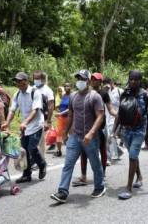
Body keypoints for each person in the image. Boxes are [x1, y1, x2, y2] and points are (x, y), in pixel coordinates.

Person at [51, 70, 106, 203]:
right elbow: (71, 115)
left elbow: (100, 116)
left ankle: (99, 186)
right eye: (78, 78)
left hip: (90, 137)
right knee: (68, 163)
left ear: (87, 81)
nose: (79, 81)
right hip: (75, 136)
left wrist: (91, 133)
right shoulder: (73, 96)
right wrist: (65, 132)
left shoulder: (95, 96)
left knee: (95, 163)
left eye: (82, 78)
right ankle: (62, 191)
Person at [113, 70, 148, 200]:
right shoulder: (125, 93)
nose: (133, 81)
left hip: (140, 130)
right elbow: (119, 113)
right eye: (131, 79)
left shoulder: (146, 96)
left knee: (133, 155)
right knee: (132, 155)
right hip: (126, 130)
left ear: (140, 81)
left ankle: (128, 188)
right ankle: (139, 176)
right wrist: (114, 131)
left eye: (136, 79)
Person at [2, 72, 47, 183]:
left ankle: (42, 165)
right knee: (24, 151)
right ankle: (26, 175)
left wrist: (25, 122)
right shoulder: (17, 94)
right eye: (16, 81)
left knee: (32, 148)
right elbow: (12, 110)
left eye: (20, 81)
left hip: (36, 125)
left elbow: (35, 110)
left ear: (26, 81)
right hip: (25, 126)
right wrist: (7, 122)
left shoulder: (35, 92)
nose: (18, 83)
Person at [72, 73, 116, 187]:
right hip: (85, 127)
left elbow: (111, 109)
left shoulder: (103, 94)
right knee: (84, 152)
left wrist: (119, 116)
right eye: (92, 79)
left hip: (100, 127)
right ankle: (83, 176)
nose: (93, 81)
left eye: (96, 79)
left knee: (102, 150)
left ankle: (102, 175)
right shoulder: (85, 93)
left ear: (101, 82)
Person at [33, 71, 55, 155]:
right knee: (33, 142)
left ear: (42, 79)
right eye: (34, 78)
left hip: (43, 120)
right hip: (33, 119)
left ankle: (41, 162)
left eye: (37, 78)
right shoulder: (32, 88)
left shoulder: (47, 90)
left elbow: (51, 106)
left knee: (41, 142)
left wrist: (48, 121)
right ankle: (34, 160)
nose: (36, 80)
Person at [54, 83, 71, 157]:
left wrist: (61, 113)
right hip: (61, 118)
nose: (66, 87)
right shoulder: (63, 96)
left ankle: (71, 151)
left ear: (71, 87)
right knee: (58, 134)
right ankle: (59, 150)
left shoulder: (72, 96)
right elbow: (59, 105)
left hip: (69, 117)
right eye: (65, 86)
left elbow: (70, 108)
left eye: (68, 86)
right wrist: (58, 111)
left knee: (70, 134)